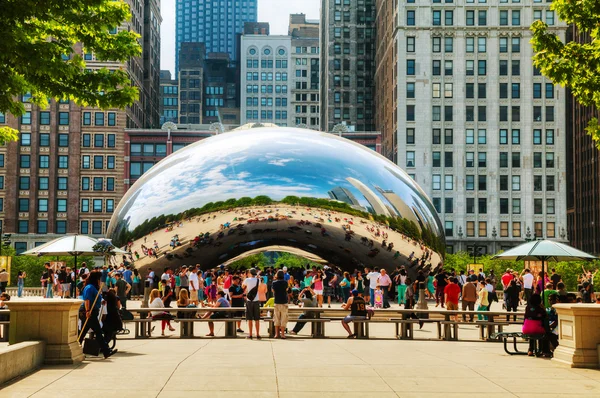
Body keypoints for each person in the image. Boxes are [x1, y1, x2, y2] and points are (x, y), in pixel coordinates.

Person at [78, 271, 116, 358]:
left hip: (92, 311)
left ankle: (77, 346)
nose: (100, 281)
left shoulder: (93, 288)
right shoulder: (89, 287)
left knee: (84, 332)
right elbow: (87, 300)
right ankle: (106, 350)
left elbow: (95, 298)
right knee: (98, 332)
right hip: (89, 311)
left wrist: (101, 301)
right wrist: (87, 311)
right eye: (99, 279)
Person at [243, 268, 261, 339]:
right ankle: (257, 334)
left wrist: (245, 277)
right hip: (256, 300)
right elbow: (258, 287)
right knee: (257, 319)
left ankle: (250, 334)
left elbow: (243, 286)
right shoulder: (258, 280)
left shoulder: (247, 280)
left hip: (249, 300)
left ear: (250, 273)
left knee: (250, 318)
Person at [272, 270, 289, 339]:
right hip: (284, 302)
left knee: (276, 318)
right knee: (283, 319)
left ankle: (276, 334)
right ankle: (283, 334)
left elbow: (273, 290)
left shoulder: (274, 283)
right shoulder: (285, 282)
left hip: (277, 302)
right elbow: (287, 290)